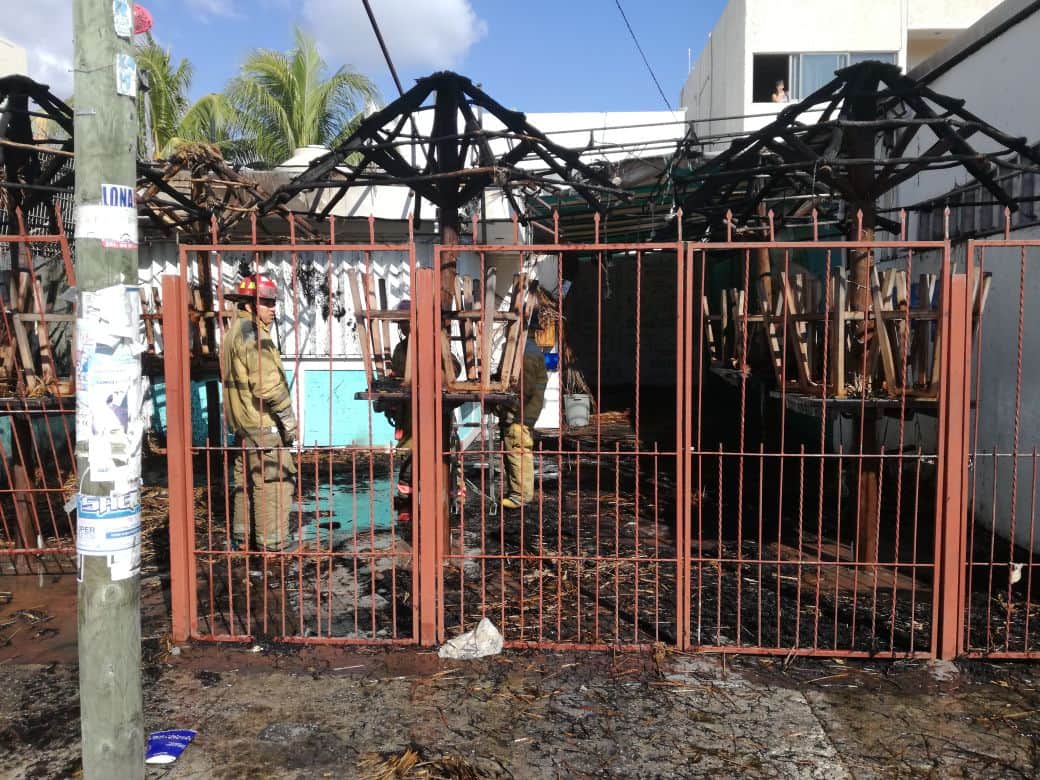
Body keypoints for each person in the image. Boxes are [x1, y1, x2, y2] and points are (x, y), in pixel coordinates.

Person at [223, 273, 299, 551]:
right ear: (249, 305)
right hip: (262, 423)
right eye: (266, 303)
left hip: (242, 425)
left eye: (272, 303)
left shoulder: (233, 332)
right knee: (275, 482)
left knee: (246, 484)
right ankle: (273, 544)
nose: (272, 309)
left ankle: (244, 540)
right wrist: (289, 422)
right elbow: (268, 386)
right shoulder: (254, 335)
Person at [500, 316, 548, 510]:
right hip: (525, 409)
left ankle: (520, 496)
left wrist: (510, 409)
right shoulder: (528, 349)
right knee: (517, 449)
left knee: (517, 450)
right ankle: (519, 492)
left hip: (521, 411)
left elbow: (524, 387)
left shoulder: (525, 352)